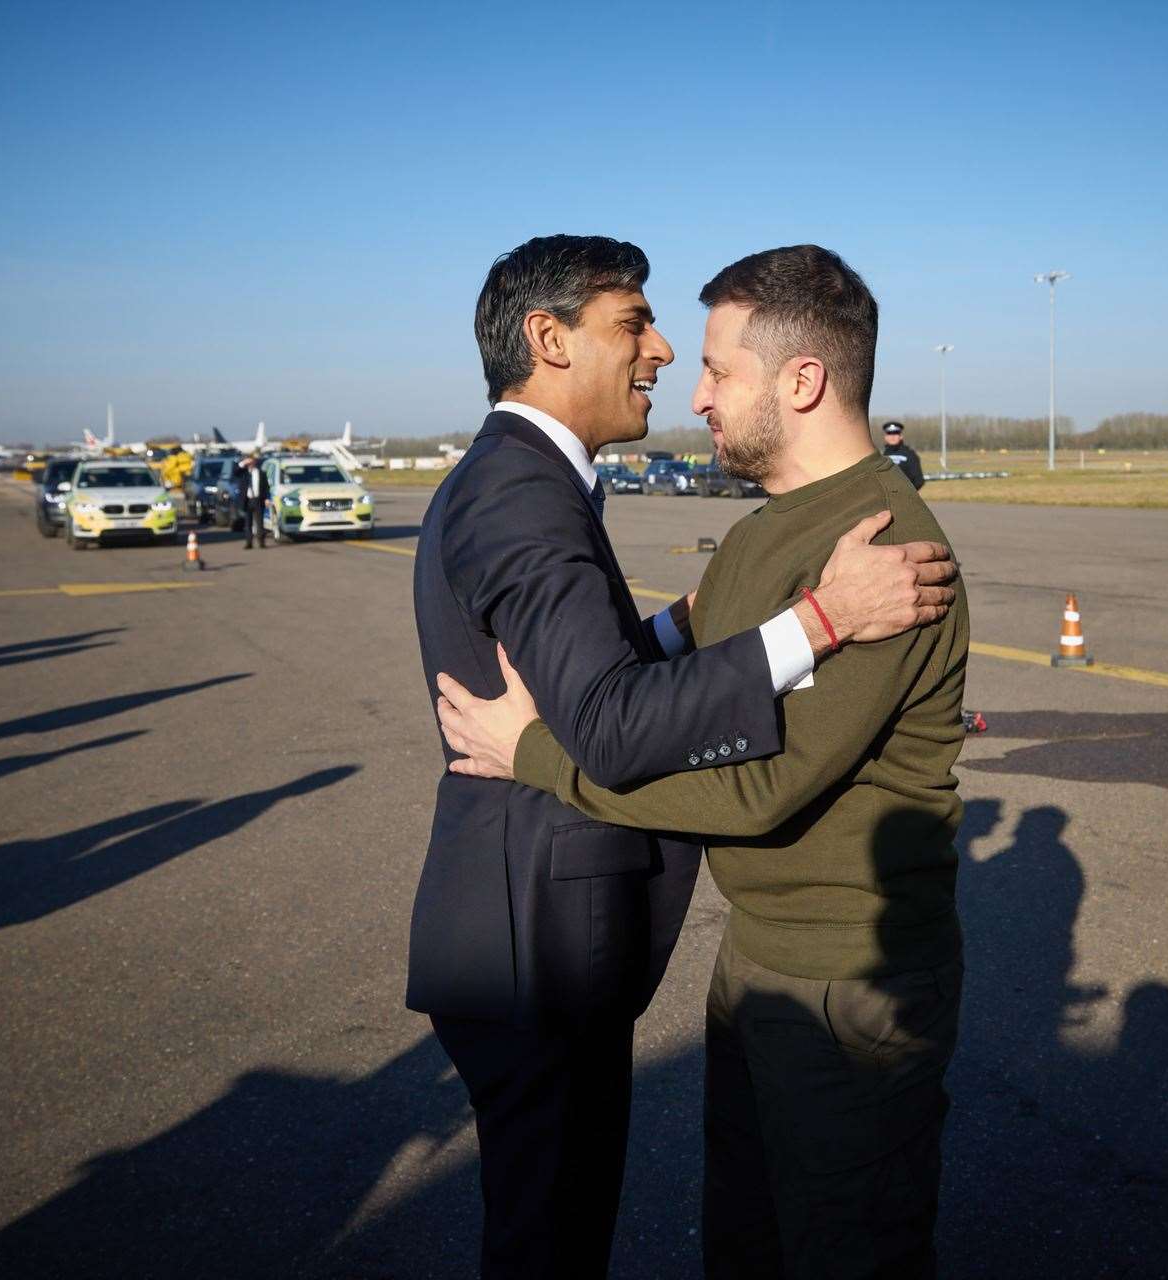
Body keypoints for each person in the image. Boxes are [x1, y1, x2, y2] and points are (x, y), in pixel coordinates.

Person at [409, 235, 958, 1280]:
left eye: (711, 363)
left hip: (823, 972)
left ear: (800, 379)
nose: (671, 363)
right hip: (543, 943)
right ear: (549, 337)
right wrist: (819, 620)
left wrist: (667, 634)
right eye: (637, 324)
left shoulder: (874, 539)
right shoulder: (528, 492)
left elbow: (729, 762)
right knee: (557, 1241)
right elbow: (612, 722)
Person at [880, 419, 925, 488]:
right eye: (889, 433)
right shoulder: (881, 456)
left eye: (895, 433)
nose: (892, 436)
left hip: (906, 496)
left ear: (901, 436)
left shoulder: (910, 454)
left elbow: (919, 481)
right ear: (885, 437)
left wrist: (907, 494)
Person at [235, 453, 267, 549]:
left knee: (259, 522)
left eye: (252, 462)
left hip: (258, 499)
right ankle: (249, 542)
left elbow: (266, 487)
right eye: (249, 462)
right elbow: (235, 472)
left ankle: (261, 541)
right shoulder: (243, 473)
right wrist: (243, 463)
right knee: (248, 522)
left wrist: (266, 498)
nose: (251, 464)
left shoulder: (261, 473)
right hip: (247, 500)